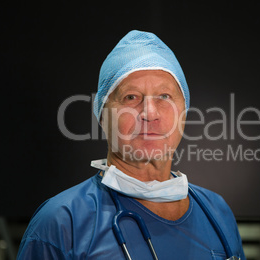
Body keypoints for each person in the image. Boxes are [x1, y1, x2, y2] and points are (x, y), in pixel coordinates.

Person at [17, 30, 245, 260]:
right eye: (131, 97)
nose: (150, 113)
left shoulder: (217, 213)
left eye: (164, 96)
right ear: (102, 117)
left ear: (184, 114)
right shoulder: (61, 223)